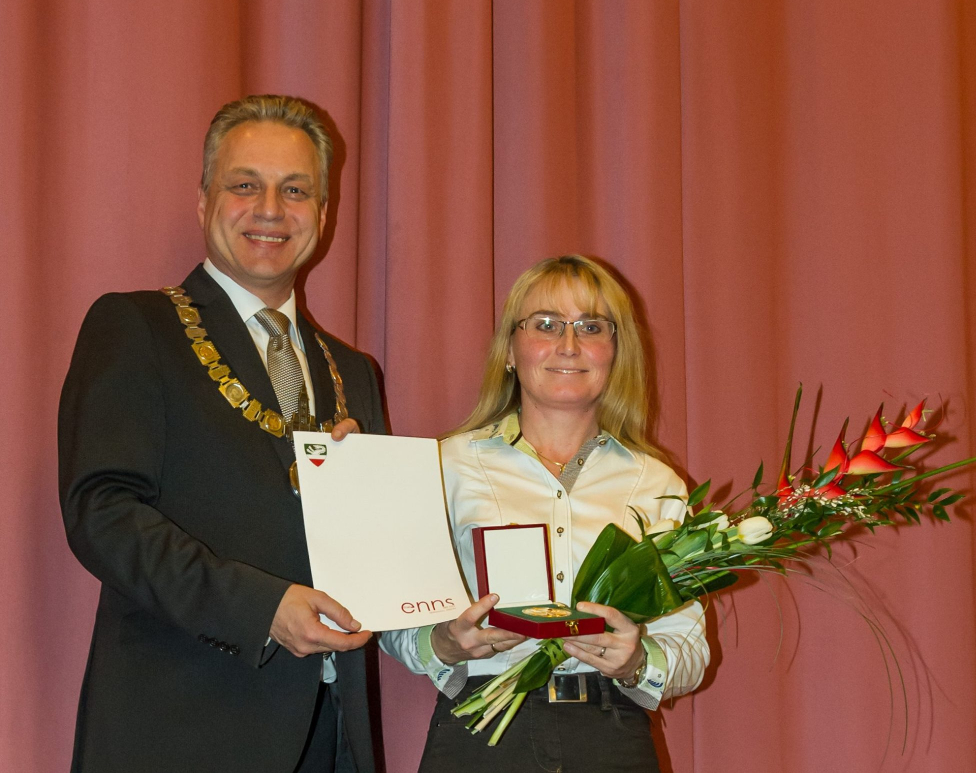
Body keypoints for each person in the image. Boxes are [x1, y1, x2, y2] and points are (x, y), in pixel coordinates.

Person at [58, 95, 385, 773]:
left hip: (332, 741)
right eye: (246, 185)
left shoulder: (354, 372)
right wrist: (262, 608)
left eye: (295, 190)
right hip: (179, 734)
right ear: (204, 201)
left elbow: (376, 567)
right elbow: (102, 514)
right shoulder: (135, 329)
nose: (271, 208)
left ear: (323, 217)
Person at [380, 256, 710, 771]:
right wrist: (443, 642)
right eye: (546, 324)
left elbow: (690, 647)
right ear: (510, 349)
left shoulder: (657, 485)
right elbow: (394, 624)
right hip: (480, 735)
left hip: (613, 737)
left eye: (592, 327)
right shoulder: (445, 468)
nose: (569, 345)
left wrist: (639, 659)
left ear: (615, 353)